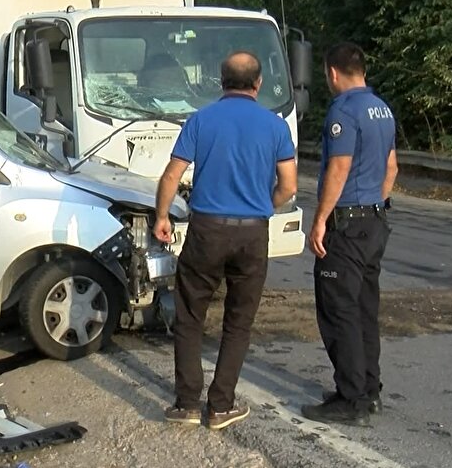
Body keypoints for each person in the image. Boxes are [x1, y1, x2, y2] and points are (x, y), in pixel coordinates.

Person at [155, 51, 298, 430]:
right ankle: (220, 406)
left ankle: (186, 404)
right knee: (238, 321)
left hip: (207, 229)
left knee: (189, 315)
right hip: (252, 233)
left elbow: (172, 175)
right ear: (258, 83)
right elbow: (289, 186)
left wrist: (161, 217)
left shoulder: (201, 120)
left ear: (221, 82)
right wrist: (263, 206)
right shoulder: (275, 126)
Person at [302, 41, 398, 427]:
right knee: (363, 309)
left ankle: (350, 398)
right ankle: (369, 390)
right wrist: (375, 205)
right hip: (374, 221)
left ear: (332, 72)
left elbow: (339, 168)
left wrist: (322, 218)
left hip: (347, 224)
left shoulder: (343, 110)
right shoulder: (383, 109)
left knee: (338, 310)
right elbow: (391, 168)